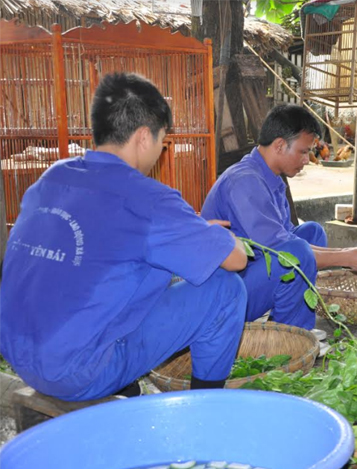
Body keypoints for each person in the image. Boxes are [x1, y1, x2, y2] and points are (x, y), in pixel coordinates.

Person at [0, 73, 249, 401]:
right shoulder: (148, 198)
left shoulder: (53, 177)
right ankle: (206, 407)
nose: (161, 151)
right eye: (163, 141)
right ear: (144, 137)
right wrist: (213, 235)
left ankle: (120, 380)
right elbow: (236, 259)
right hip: (76, 373)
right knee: (225, 290)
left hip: (19, 355)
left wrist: (195, 236)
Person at [201, 104, 357, 331]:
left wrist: (347, 254)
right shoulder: (244, 181)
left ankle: (285, 323)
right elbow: (284, 252)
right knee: (298, 252)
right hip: (222, 298)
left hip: (248, 275)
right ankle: (290, 337)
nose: (307, 160)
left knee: (312, 232)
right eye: (304, 151)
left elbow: (285, 239)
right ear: (279, 145)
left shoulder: (270, 177)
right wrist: (346, 257)